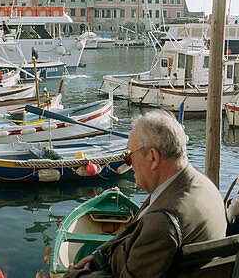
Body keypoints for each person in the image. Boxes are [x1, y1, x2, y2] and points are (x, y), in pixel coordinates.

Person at [66, 111, 226, 278]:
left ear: (153, 157)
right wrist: (97, 255)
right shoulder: (200, 184)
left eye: (129, 155)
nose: (127, 163)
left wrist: (76, 276)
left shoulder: (163, 222)